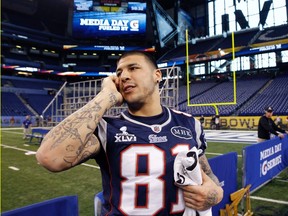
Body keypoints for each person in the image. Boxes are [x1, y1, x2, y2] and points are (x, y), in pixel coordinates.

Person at [36, 51, 223, 215]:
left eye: (133, 68)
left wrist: (216, 194)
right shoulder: (106, 128)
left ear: (157, 75)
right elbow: (49, 157)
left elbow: (208, 176)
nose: (123, 76)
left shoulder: (189, 124)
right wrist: (106, 97)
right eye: (119, 73)